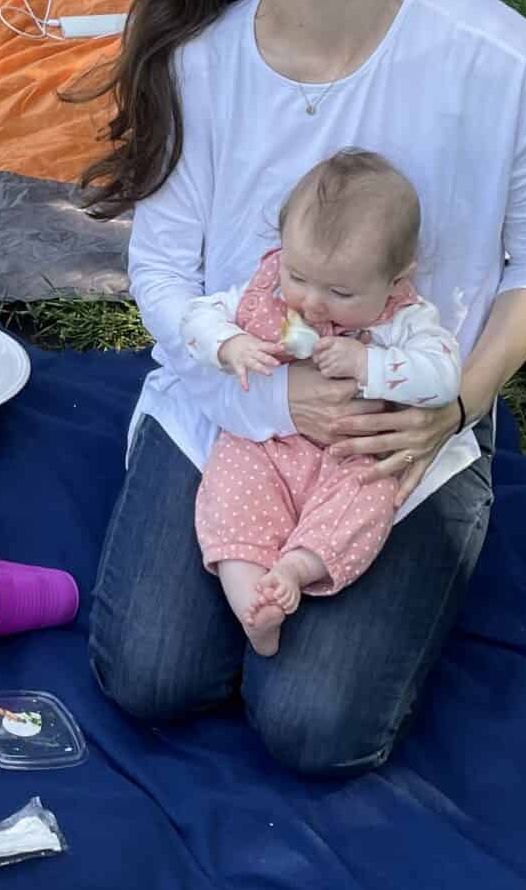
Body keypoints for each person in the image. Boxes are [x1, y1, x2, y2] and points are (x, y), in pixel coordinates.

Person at [82, 0, 526, 778]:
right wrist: (267, 399)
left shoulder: (494, 59)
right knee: (151, 677)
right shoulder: (202, 69)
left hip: (397, 423)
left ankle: (428, 513)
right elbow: (164, 275)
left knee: (312, 725)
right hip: (235, 410)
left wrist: (456, 404)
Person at [183, 148, 467, 656]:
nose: (310, 303)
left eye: (339, 291)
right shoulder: (267, 285)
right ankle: (254, 600)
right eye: (299, 277)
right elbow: (197, 318)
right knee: (229, 492)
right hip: (267, 441)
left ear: (396, 280)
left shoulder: (404, 318)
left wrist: (370, 366)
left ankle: (298, 567)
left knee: (368, 501)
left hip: (352, 454)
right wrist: (228, 344)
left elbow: (444, 377)